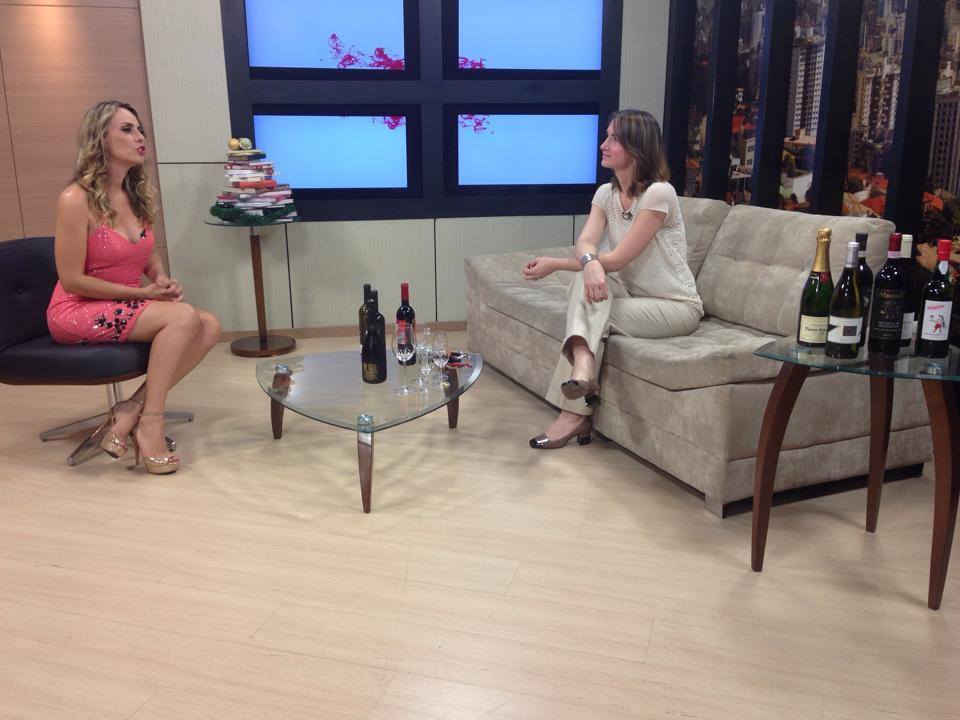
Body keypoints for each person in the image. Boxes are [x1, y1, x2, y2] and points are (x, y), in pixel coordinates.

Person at [46, 100, 221, 473]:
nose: (140, 137)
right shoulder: (75, 199)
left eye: (140, 129)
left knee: (209, 326)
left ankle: (130, 410)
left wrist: (159, 278)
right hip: (77, 309)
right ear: (100, 139)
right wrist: (143, 294)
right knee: (184, 317)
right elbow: (71, 280)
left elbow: (145, 251)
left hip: (125, 304)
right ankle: (150, 424)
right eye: (127, 129)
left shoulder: (135, 194)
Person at [523, 109, 703, 449]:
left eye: (613, 139)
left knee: (591, 305)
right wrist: (586, 263)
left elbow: (619, 258)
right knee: (583, 285)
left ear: (636, 147)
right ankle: (583, 367)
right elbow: (585, 242)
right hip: (632, 295)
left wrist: (569, 263)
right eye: (606, 136)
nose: (603, 145)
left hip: (675, 305)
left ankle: (573, 414)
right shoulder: (606, 194)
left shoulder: (659, 194)